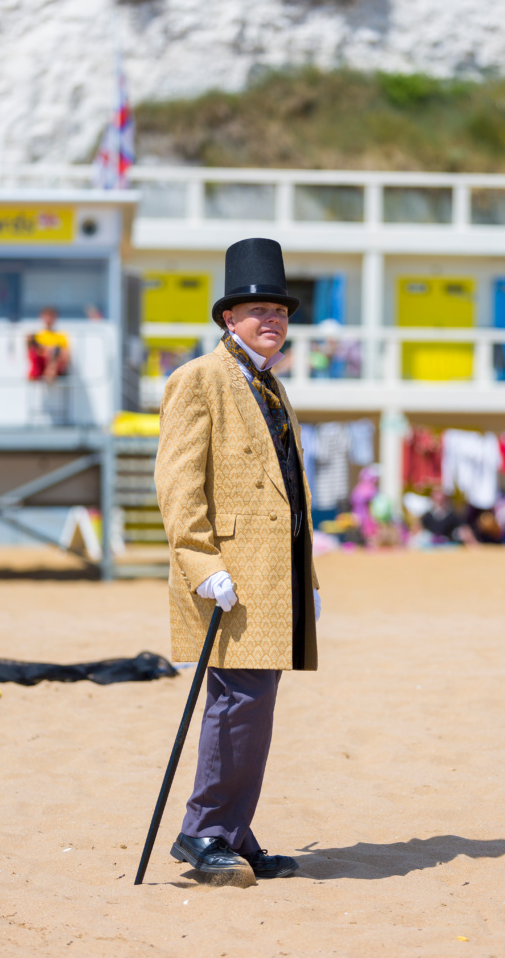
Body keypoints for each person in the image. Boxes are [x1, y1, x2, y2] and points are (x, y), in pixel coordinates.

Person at [154, 238, 320, 884]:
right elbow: (176, 485)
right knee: (239, 701)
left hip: (271, 580)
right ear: (229, 318)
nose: (271, 320)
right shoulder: (198, 380)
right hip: (229, 577)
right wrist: (201, 563)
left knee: (254, 702)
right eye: (257, 310)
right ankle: (202, 831)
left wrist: (306, 578)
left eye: (278, 310)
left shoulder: (270, 386)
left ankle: (232, 825)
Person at [26, 307, 70, 382]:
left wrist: (51, 351)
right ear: (41, 317)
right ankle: (41, 373)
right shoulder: (36, 335)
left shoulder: (61, 335)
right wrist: (47, 350)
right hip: (42, 363)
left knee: (56, 353)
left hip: (55, 364)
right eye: (46, 316)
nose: (48, 319)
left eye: (51, 316)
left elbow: (66, 355)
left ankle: (49, 373)